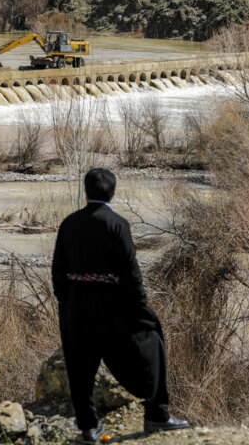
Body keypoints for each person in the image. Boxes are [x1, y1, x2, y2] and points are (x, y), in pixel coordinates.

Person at [52, 168, 189, 442]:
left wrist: (67, 301)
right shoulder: (118, 224)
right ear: (113, 193)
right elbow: (131, 271)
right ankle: (157, 415)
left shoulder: (69, 223)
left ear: (86, 192)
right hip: (113, 306)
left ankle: (89, 427)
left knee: (80, 367)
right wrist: (141, 307)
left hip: (76, 305)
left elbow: (58, 271)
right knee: (153, 340)